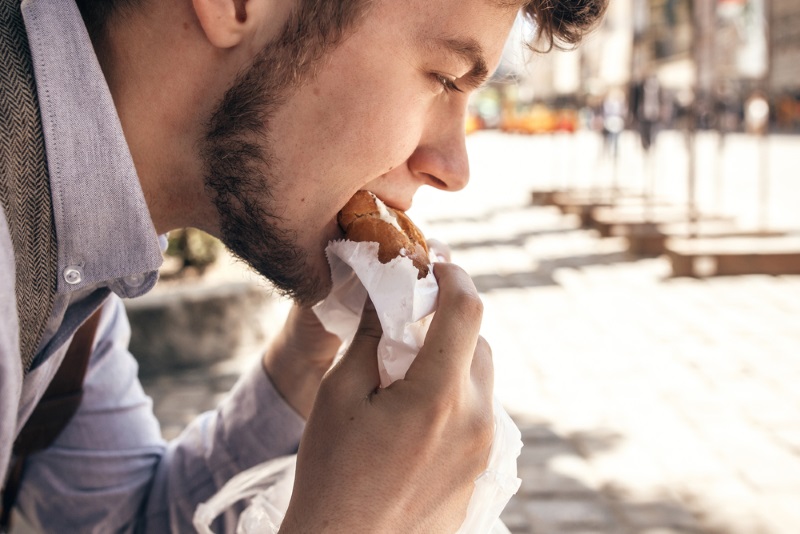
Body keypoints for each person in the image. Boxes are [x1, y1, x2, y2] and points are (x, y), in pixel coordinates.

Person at [0, 0, 606, 531]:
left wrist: (302, 364)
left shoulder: (82, 258)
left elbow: (116, 521)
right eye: (444, 77)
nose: (452, 166)